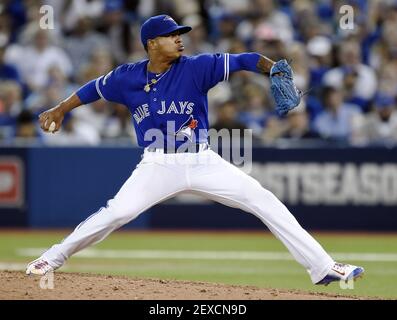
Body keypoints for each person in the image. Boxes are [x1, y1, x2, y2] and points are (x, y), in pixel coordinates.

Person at [26, 15, 364, 286]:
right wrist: (60, 108)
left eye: (180, 33)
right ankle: (51, 258)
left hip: (202, 159)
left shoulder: (197, 67)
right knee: (117, 213)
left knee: (262, 199)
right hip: (157, 163)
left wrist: (272, 67)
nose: (179, 38)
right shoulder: (126, 76)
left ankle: (322, 267)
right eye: (172, 35)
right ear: (151, 43)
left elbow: (245, 58)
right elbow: (92, 89)